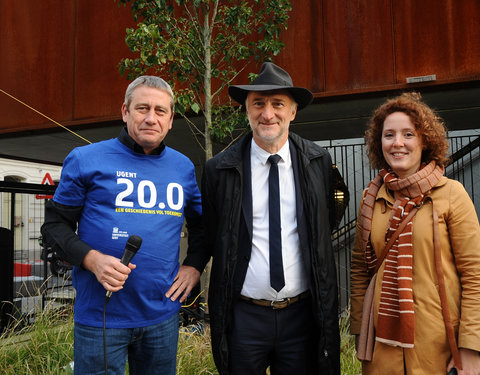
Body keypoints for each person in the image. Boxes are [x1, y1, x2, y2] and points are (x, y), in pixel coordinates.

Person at [183, 62, 341, 375]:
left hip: (301, 317)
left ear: (293, 112)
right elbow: (210, 232)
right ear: (247, 110)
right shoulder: (219, 170)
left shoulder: (317, 161)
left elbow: (328, 218)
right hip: (243, 318)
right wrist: (192, 264)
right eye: (258, 103)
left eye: (277, 104)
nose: (267, 114)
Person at [41, 75, 203, 375]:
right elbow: (53, 226)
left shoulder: (183, 167)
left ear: (170, 121)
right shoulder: (85, 159)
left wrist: (193, 265)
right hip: (100, 319)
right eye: (142, 108)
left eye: (160, 111)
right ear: (125, 112)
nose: (151, 118)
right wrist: (92, 259)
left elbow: (202, 225)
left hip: (161, 316)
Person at [350, 92, 480, 375]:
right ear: (378, 142)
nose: (397, 143)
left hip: (440, 349)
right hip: (381, 351)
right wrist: (361, 334)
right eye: (389, 135)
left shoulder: (451, 195)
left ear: (424, 141)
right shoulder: (370, 199)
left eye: (408, 134)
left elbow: (475, 274)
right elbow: (360, 270)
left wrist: (471, 347)